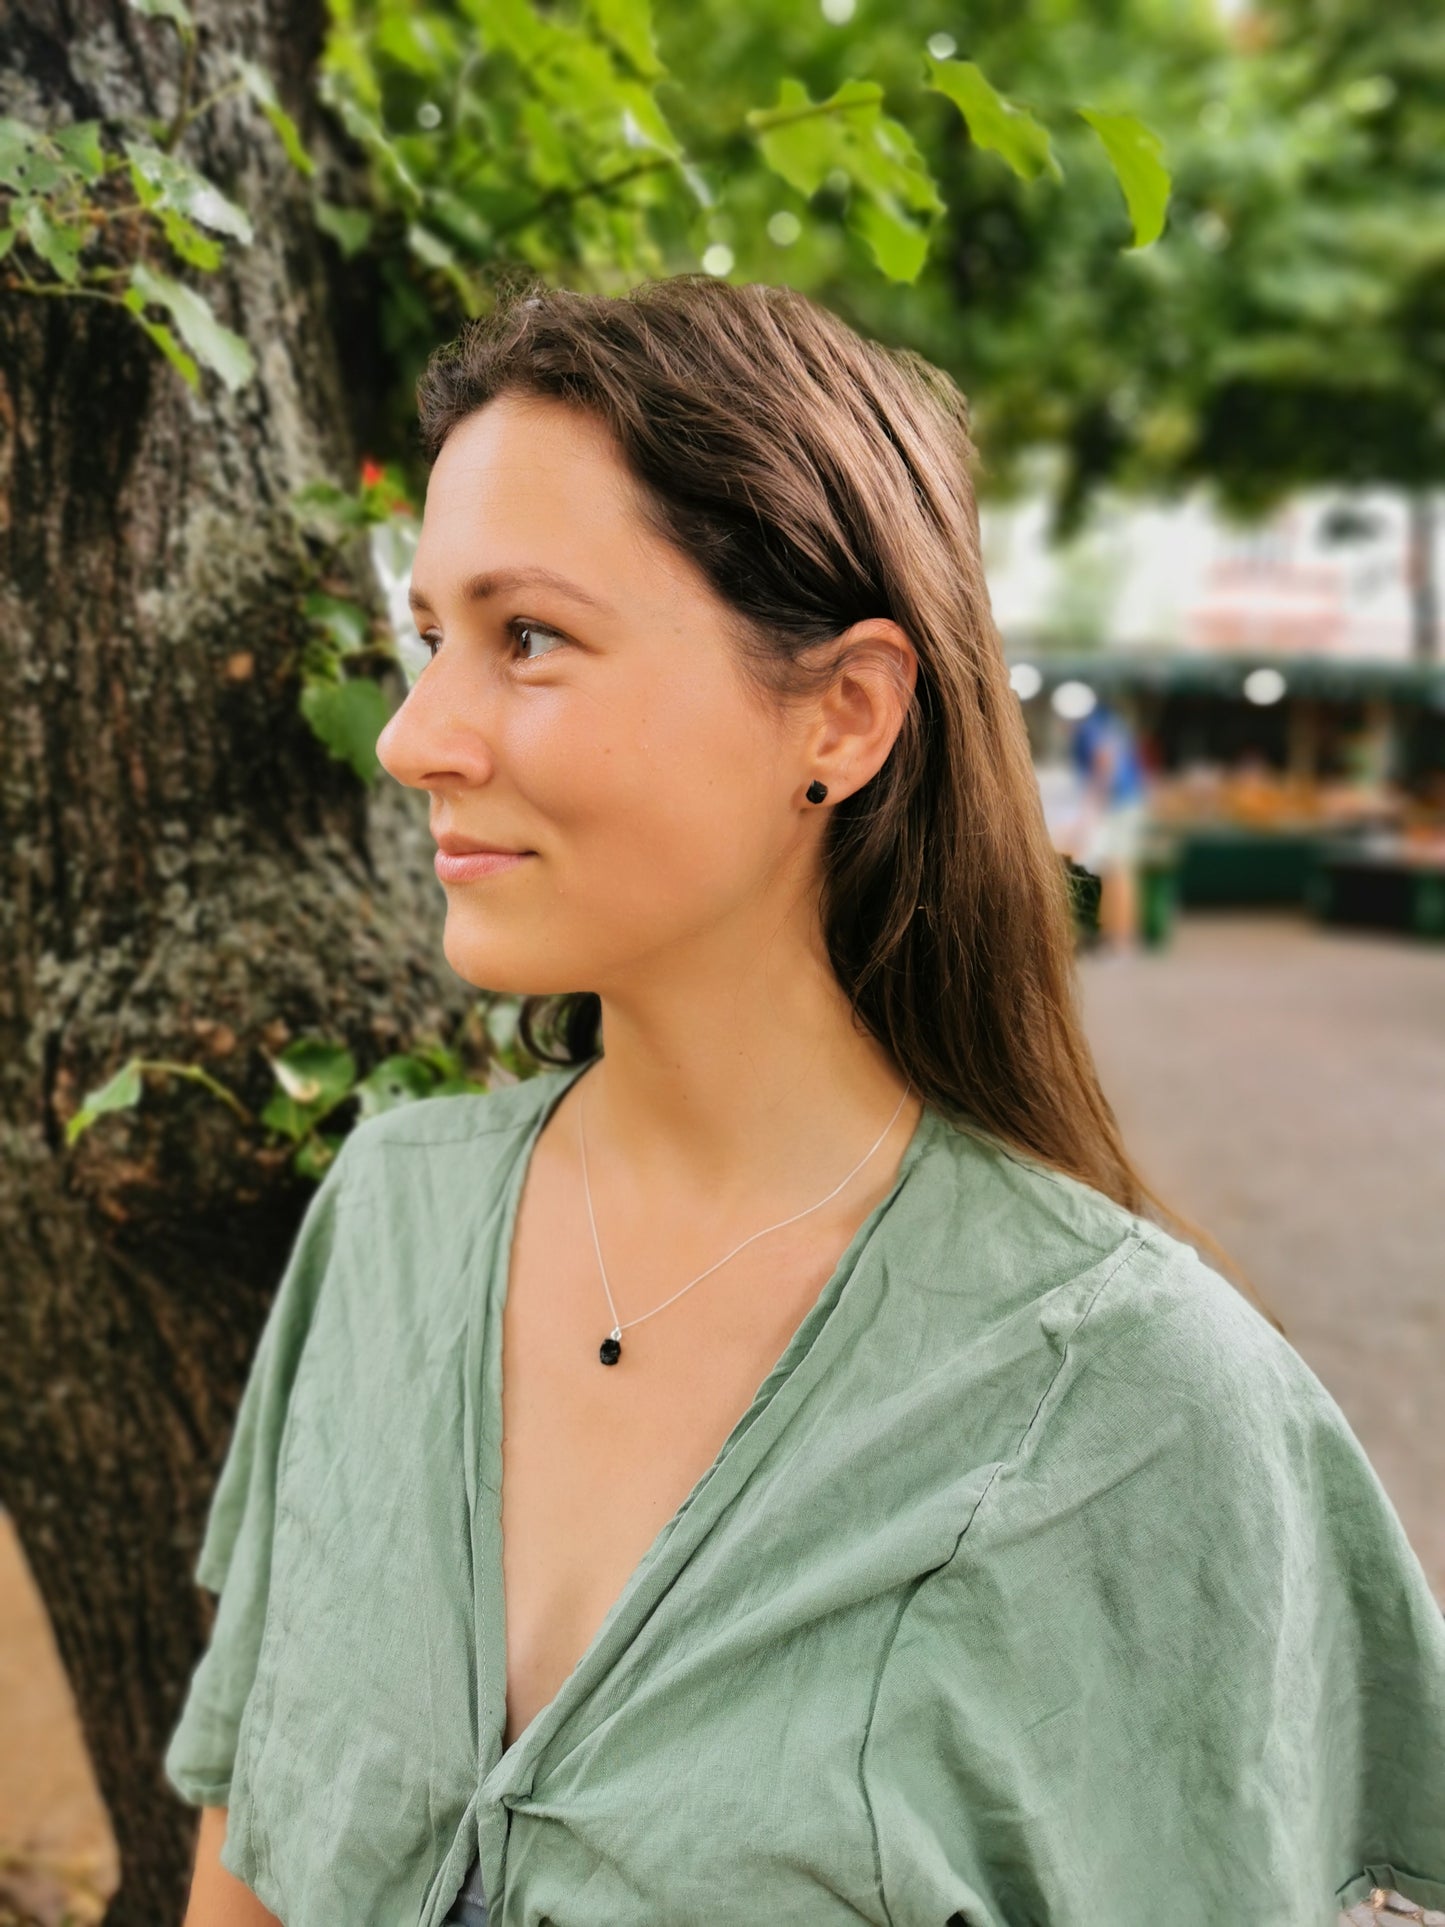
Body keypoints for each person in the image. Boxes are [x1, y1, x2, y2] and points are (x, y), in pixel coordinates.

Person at [163, 278, 1445, 1927]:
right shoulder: (389, 1220)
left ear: (841, 711)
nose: (415, 736)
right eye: (430, 640)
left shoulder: (1134, 1407)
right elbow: (243, 1866)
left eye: (529, 636)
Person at [1067, 696, 1151, 956]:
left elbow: (1105, 765)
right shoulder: (1109, 722)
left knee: (1118, 870)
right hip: (1126, 802)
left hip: (1118, 805)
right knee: (1118, 870)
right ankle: (1117, 937)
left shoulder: (1092, 726)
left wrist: (1092, 810)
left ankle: (1121, 940)